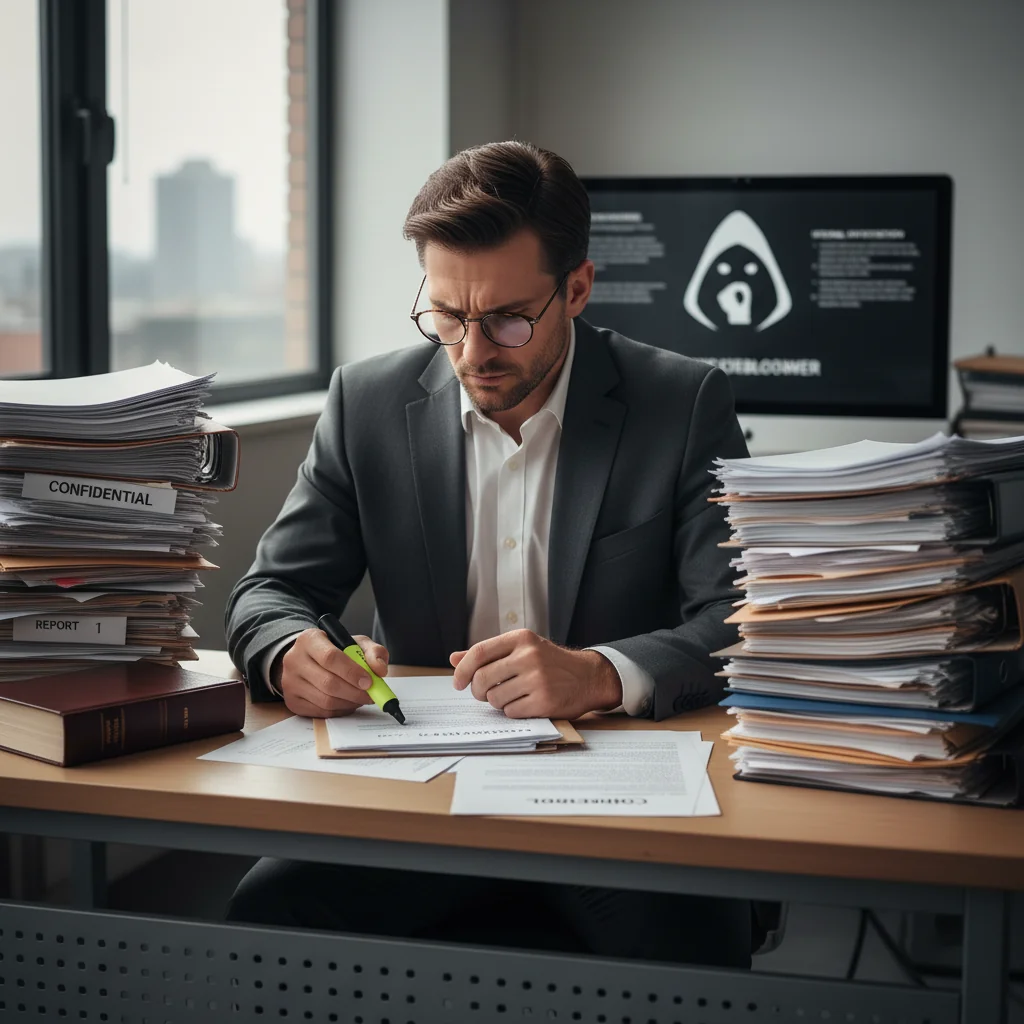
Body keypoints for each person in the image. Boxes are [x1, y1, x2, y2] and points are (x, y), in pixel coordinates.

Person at [224, 140, 752, 966]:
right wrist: (291, 651)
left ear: (576, 288)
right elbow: (271, 590)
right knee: (266, 921)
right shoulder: (365, 403)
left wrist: (603, 673)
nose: (472, 351)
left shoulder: (682, 402)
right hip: (420, 797)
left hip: (617, 801)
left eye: (508, 318)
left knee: (690, 946)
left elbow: (741, 619)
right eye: (446, 315)